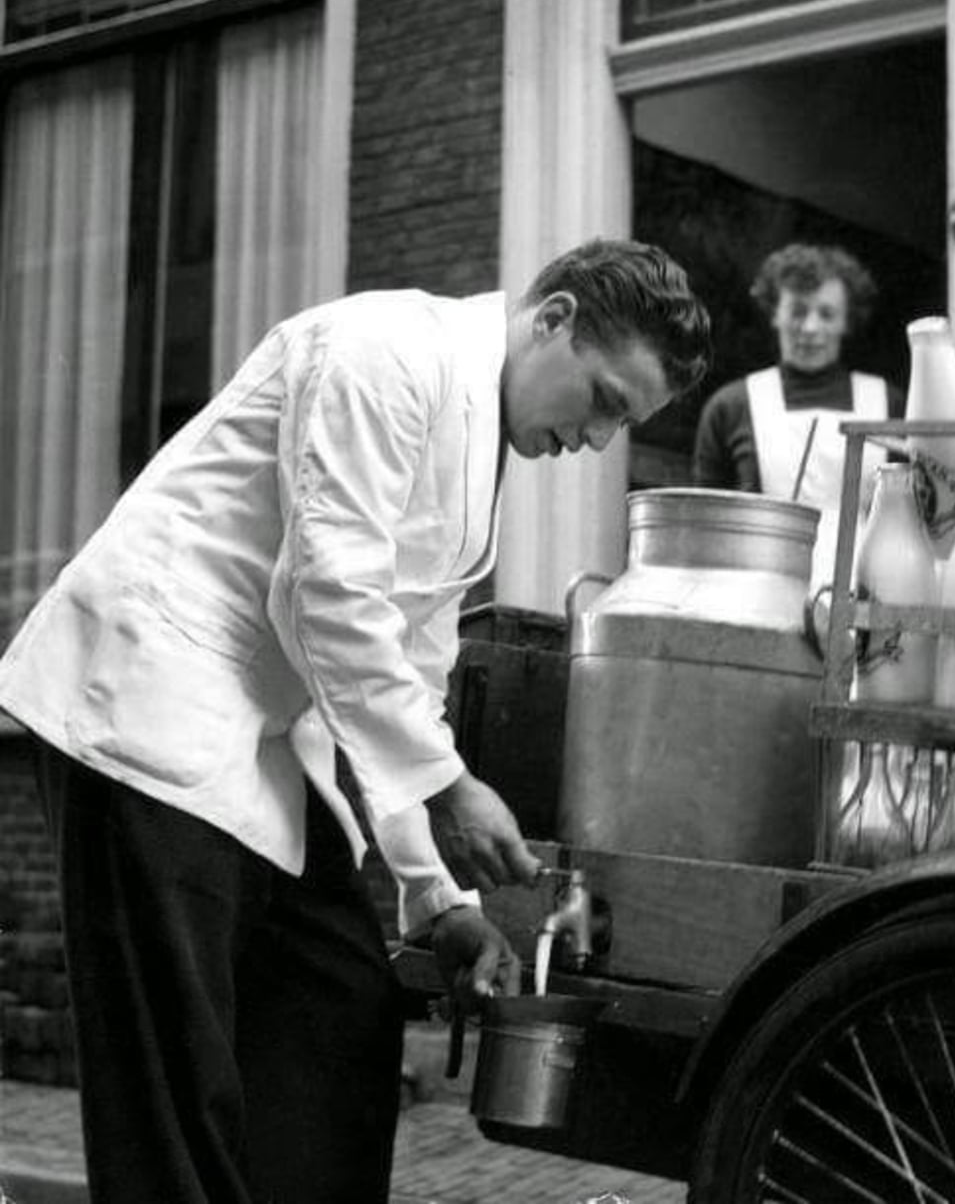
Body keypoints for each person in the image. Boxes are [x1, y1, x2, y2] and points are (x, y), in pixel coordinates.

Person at [0, 237, 711, 1204]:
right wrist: (448, 786)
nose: (595, 440)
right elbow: (328, 594)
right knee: (176, 1088)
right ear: (554, 320)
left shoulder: (476, 454)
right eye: (604, 401)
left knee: (338, 1008)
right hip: (143, 705)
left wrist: (439, 901)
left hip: (251, 742)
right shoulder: (383, 351)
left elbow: (408, 675)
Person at [693, 242, 903, 590]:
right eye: (797, 311)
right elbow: (705, 529)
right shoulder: (731, 407)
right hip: (759, 597)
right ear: (775, 312)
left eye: (826, 313)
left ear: (846, 321)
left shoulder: (887, 404)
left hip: (867, 603)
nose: (810, 327)